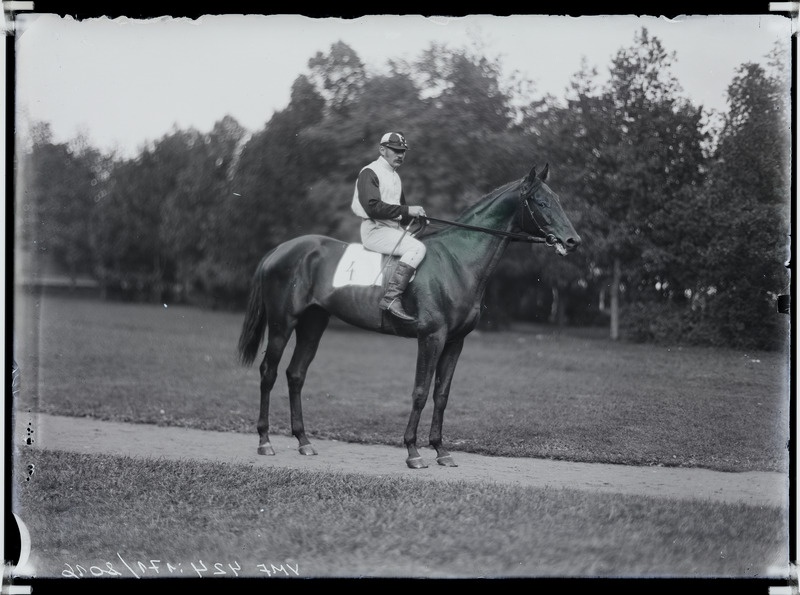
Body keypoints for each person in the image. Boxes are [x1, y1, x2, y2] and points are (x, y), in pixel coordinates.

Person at [351, 132, 426, 321]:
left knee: (427, 240)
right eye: (396, 150)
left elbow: (399, 214)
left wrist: (415, 218)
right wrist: (408, 210)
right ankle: (391, 298)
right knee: (417, 248)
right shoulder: (369, 172)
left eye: (403, 151)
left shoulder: (395, 177)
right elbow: (373, 207)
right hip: (374, 230)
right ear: (382, 150)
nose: (400, 155)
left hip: (391, 229)